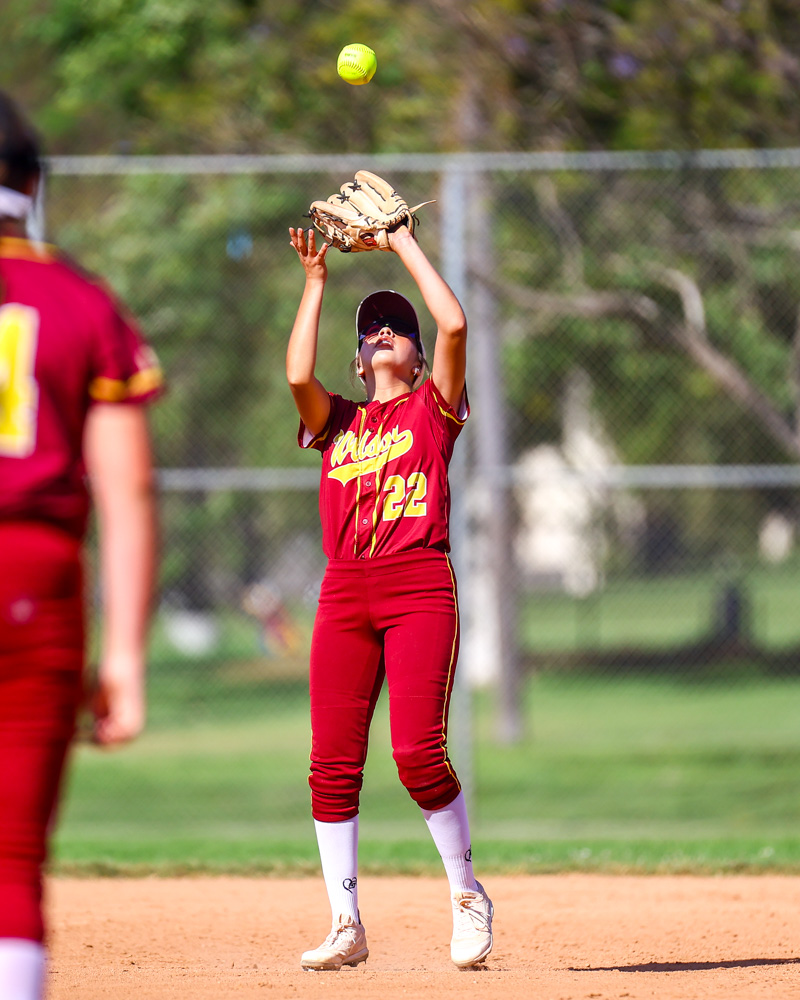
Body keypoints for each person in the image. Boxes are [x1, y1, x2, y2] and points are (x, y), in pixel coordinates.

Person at [286, 216, 493, 971]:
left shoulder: (433, 409)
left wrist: (402, 241)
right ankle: (346, 923)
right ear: (357, 354)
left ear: (415, 353)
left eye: (396, 328)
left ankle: (467, 894)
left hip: (417, 584)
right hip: (345, 591)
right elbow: (298, 379)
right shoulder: (338, 421)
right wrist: (315, 282)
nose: (382, 333)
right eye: (371, 327)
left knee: (416, 752)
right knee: (332, 763)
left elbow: (455, 323)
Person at [0, 91, 162, 1000]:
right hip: (34, 575)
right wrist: (126, 656)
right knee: (11, 858)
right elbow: (126, 487)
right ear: (32, 186)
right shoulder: (79, 300)